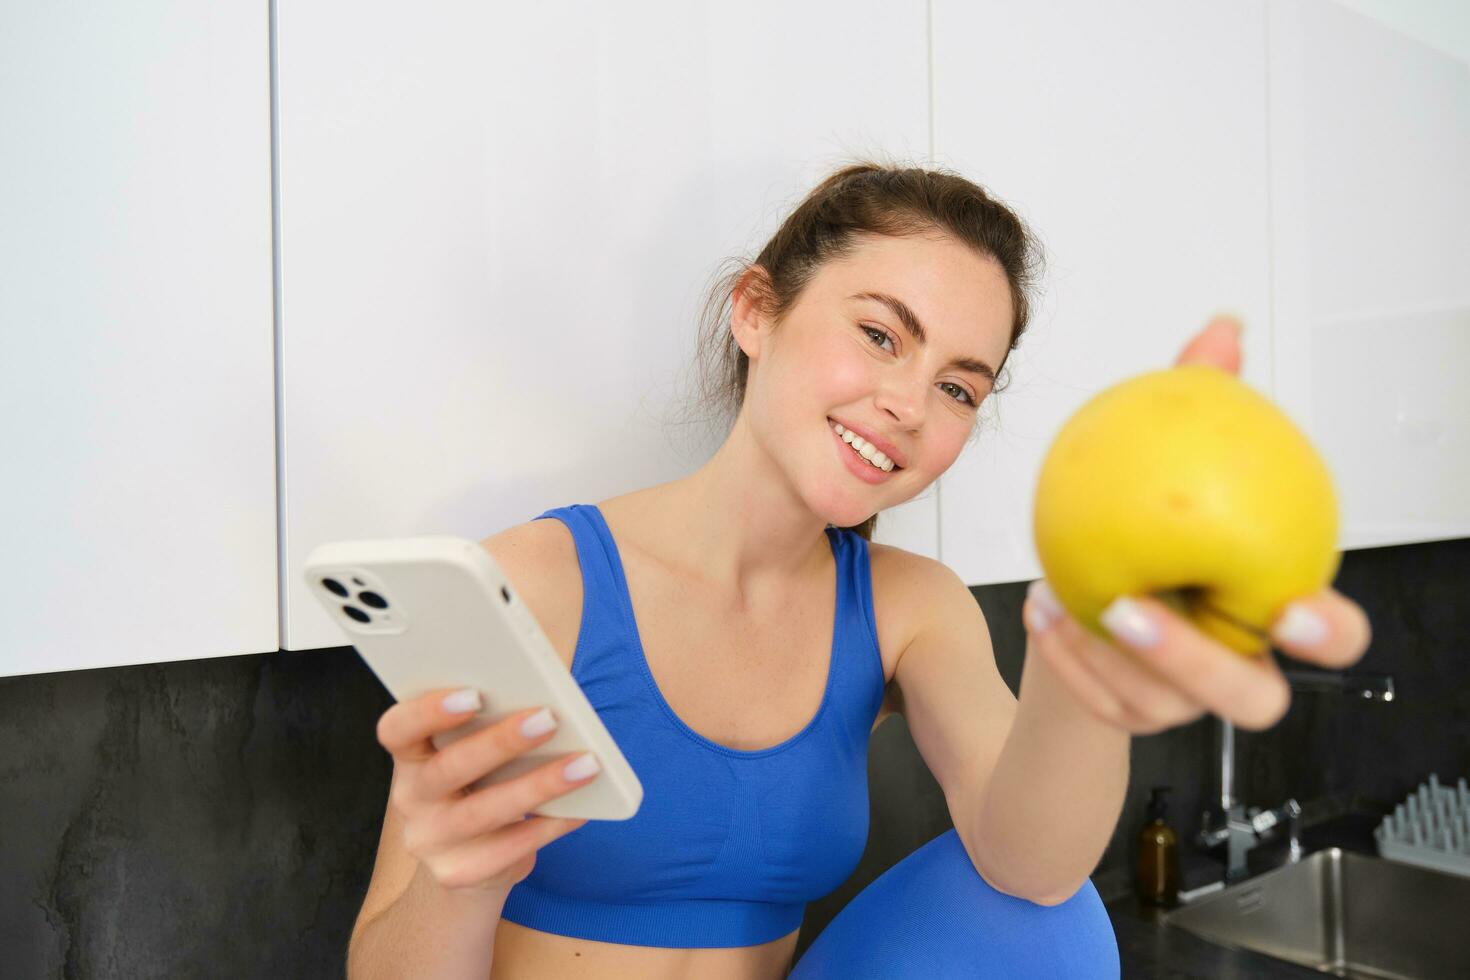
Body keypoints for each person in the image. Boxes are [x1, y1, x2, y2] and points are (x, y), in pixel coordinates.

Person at [344, 161, 1374, 979]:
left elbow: (1032, 866)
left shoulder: (905, 606)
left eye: (959, 387)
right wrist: (460, 872)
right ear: (757, 311)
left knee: (1044, 928)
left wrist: (1085, 675)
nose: (911, 404)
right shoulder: (539, 580)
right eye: (880, 334)